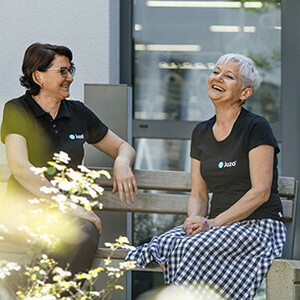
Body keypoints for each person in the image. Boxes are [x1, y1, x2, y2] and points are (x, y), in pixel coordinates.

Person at [126, 53, 286, 299]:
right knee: (165, 244)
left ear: (245, 93)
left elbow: (260, 192)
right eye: (216, 72)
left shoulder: (256, 127)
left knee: (192, 247)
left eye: (229, 76)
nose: (218, 78)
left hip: (258, 226)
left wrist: (212, 223)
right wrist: (195, 218)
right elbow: (198, 193)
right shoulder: (200, 132)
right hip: (216, 227)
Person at [0, 42, 138, 275]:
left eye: (70, 70)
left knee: (85, 234)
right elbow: (21, 167)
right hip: (25, 212)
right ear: (38, 76)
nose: (70, 78)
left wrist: (122, 161)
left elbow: (123, 147)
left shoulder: (78, 112)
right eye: (62, 72)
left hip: (70, 217)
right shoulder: (17, 109)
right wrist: (70, 207)